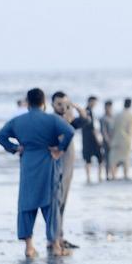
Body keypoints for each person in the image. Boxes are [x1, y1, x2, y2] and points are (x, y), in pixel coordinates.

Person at [0, 88, 76, 258]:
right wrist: (60, 149)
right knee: (51, 203)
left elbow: (0, 136)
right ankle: (55, 246)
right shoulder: (51, 119)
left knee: (26, 204)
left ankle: (29, 247)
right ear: (44, 102)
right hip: (48, 162)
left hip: (28, 163)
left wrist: (15, 148)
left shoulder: (18, 121)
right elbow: (69, 131)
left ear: (28, 101)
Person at [50, 91, 86, 249]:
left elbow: (85, 120)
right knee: (57, 204)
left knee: (62, 204)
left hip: (68, 169)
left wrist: (75, 106)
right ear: (52, 105)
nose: (62, 107)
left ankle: (59, 236)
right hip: (59, 169)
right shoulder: (53, 122)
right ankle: (54, 239)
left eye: (65, 104)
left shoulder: (68, 121)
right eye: (59, 104)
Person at [110, 98, 132, 180]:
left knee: (114, 161)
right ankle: (125, 177)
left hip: (116, 140)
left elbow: (112, 129)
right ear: (131, 105)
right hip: (127, 141)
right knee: (126, 161)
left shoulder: (117, 115)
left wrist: (110, 141)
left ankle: (113, 178)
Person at [81, 95, 104, 183]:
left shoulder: (87, 111)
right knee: (98, 158)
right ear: (90, 101)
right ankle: (97, 177)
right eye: (94, 102)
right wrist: (98, 139)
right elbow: (92, 128)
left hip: (86, 139)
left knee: (89, 159)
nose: (95, 104)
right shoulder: (87, 111)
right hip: (91, 139)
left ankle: (90, 177)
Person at [99, 100, 115, 180]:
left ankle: (113, 174)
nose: (108, 109)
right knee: (107, 159)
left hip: (114, 141)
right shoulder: (103, 118)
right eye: (107, 108)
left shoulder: (113, 117)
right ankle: (107, 175)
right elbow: (103, 132)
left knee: (114, 159)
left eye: (110, 108)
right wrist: (108, 141)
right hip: (106, 142)